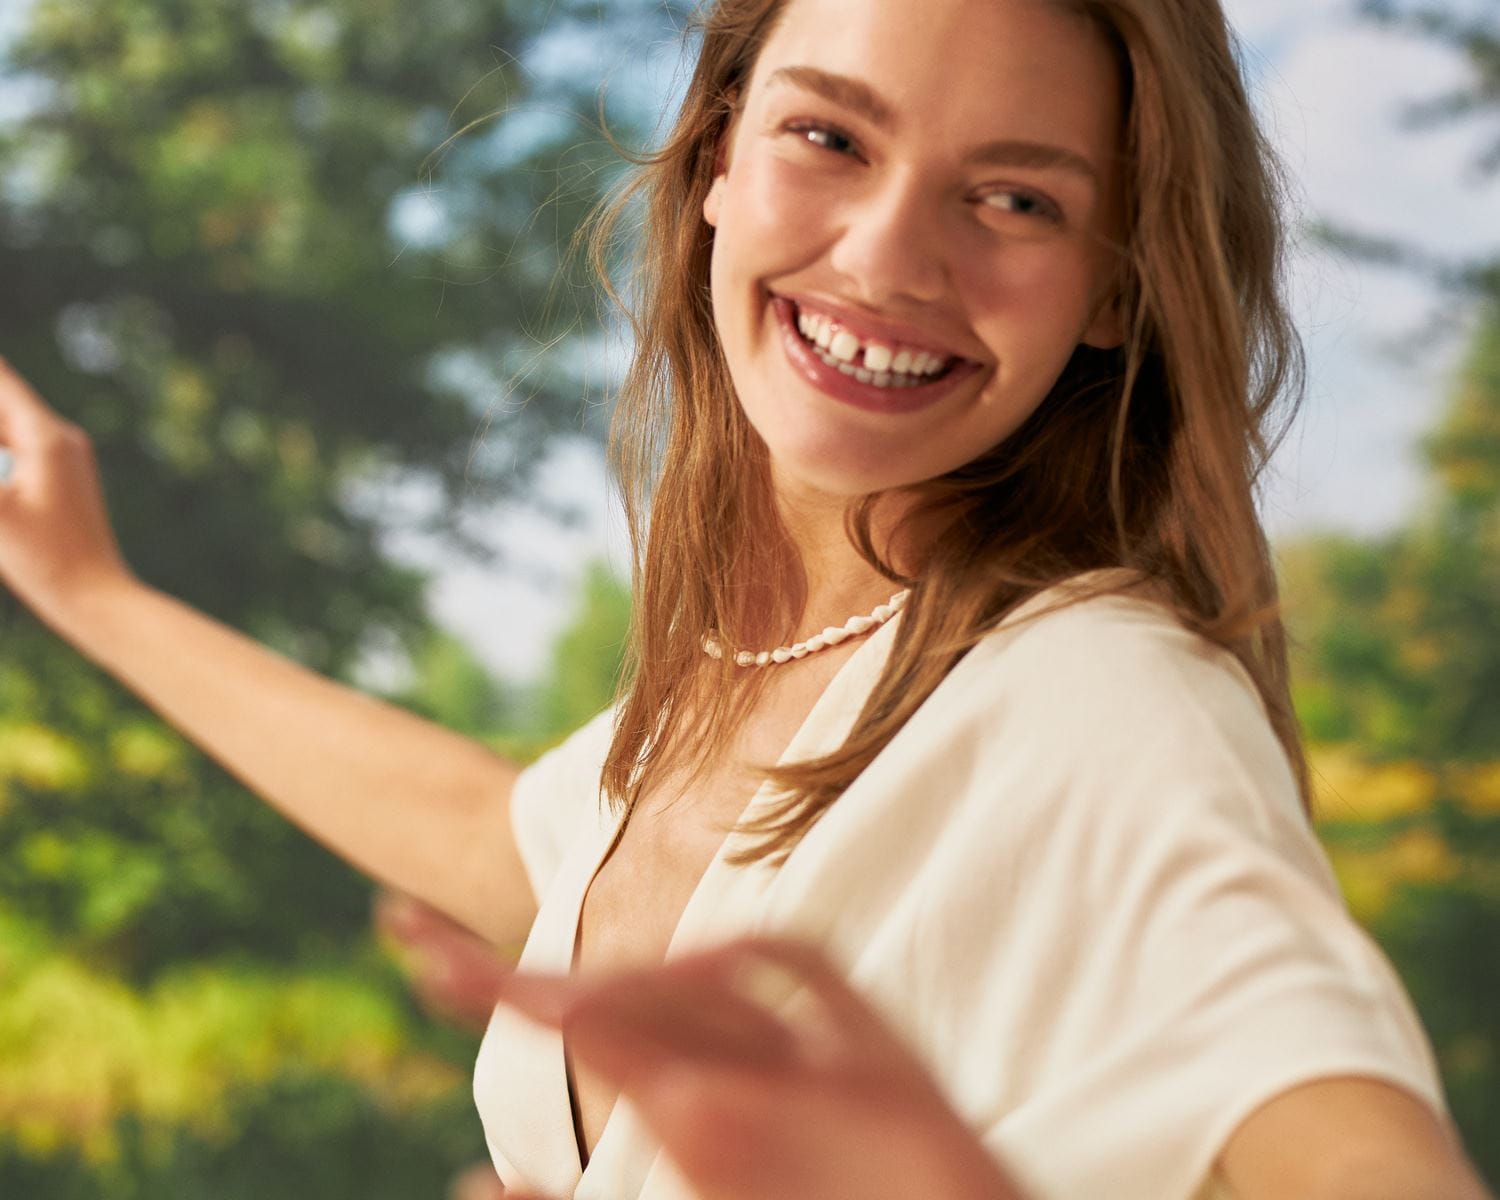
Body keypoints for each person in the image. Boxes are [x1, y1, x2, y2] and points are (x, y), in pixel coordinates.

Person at [0, 0, 1492, 1195]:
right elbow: (525, 849)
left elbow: (1355, 1145)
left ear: (1115, 287)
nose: (890, 253)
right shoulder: (754, 665)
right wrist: (89, 590)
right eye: (831, 135)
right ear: (719, 156)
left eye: (1018, 197)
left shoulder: (1102, 694)